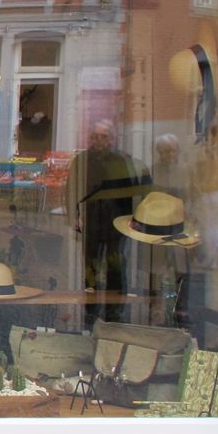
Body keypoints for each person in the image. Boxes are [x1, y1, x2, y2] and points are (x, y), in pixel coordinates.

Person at [65, 119, 150, 322]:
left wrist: (136, 218)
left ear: (112, 139)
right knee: (91, 265)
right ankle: (90, 309)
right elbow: (71, 189)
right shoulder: (81, 160)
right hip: (91, 218)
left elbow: (135, 190)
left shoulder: (122, 159)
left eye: (103, 137)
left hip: (117, 219)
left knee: (116, 264)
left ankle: (114, 310)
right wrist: (74, 216)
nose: (98, 141)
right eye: (95, 136)